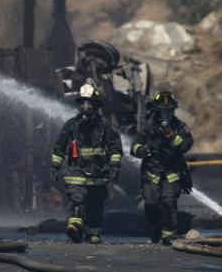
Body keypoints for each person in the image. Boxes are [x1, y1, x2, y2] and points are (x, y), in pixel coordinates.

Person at [51, 84, 123, 244]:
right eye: (83, 103)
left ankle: (93, 234)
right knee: (77, 199)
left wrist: (115, 166)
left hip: (98, 174)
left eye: (89, 103)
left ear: (96, 106)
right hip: (75, 172)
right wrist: (55, 165)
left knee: (95, 206)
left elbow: (115, 147)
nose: (85, 107)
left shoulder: (104, 126)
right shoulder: (72, 125)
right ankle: (75, 227)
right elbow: (60, 146)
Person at [131, 91, 193, 245]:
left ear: (173, 110)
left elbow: (186, 145)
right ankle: (155, 229)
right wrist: (144, 150)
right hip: (151, 173)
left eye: (169, 110)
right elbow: (134, 147)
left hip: (171, 173)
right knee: (151, 203)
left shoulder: (179, 126)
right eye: (163, 110)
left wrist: (172, 136)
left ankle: (168, 235)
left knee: (169, 203)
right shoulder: (149, 127)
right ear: (157, 110)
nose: (167, 113)